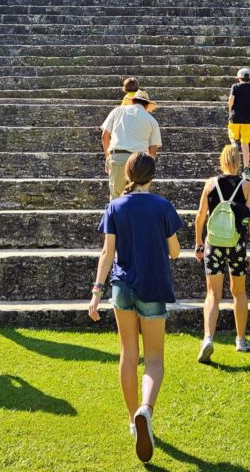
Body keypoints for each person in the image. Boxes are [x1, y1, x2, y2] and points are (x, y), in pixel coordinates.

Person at [89, 152, 183, 463]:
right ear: (151, 176)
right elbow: (175, 252)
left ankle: (133, 421)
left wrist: (95, 293)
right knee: (154, 358)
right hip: (153, 286)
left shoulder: (115, 206)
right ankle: (146, 409)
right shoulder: (161, 206)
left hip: (120, 287)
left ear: (128, 173)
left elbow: (107, 252)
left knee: (128, 355)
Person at [194, 144, 250, 362]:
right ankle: (240, 339)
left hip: (214, 243)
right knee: (238, 292)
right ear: (238, 162)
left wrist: (198, 242)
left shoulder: (210, 183)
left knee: (213, 293)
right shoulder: (246, 185)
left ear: (222, 161)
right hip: (237, 244)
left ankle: (208, 337)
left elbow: (201, 215)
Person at [100, 89, 162, 200]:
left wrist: (108, 157)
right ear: (147, 105)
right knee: (138, 199)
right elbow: (153, 150)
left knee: (116, 199)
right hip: (140, 162)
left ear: (132, 101)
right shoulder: (152, 121)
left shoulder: (117, 111)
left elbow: (105, 136)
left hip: (118, 157)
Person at [227, 67, 250, 177]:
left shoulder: (235, 86)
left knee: (232, 136)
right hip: (247, 119)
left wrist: (230, 110)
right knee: (245, 145)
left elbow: (231, 99)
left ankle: (233, 144)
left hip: (235, 116)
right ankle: (246, 170)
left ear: (238, 78)